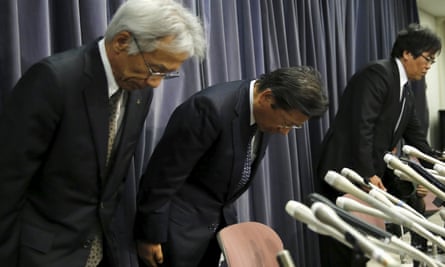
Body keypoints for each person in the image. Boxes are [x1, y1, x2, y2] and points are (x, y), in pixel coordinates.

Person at [0, 1, 205, 266]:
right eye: (155, 69)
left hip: (97, 251)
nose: (155, 82)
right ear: (121, 41)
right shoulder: (55, 80)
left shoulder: (139, 91)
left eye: (166, 75)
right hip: (38, 254)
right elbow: (7, 182)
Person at [134, 66, 329, 267]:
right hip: (174, 235)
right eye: (286, 123)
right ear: (267, 97)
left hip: (212, 232)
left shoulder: (265, 115)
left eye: (294, 126)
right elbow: (162, 176)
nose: (285, 132)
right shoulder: (210, 108)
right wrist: (149, 235)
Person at [315, 23, 441, 267]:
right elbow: (361, 127)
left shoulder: (406, 92)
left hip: (368, 175)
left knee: (364, 247)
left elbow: (417, 139)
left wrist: (436, 168)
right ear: (407, 54)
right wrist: (368, 173)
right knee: (342, 246)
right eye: (427, 59)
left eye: (432, 62)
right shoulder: (377, 74)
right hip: (344, 170)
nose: (428, 66)